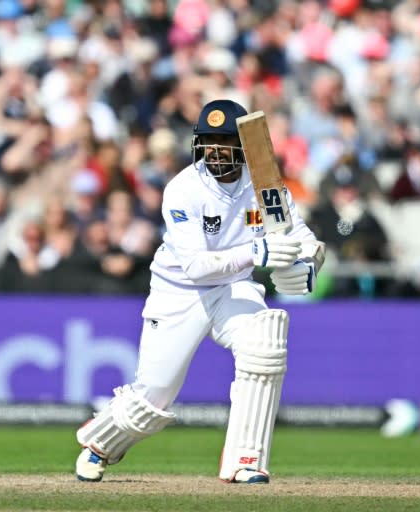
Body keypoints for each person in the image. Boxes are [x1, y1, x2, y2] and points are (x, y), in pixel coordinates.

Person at [74, 99, 326, 484]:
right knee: (152, 398)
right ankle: (99, 442)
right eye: (208, 142)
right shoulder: (183, 190)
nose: (215, 151)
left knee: (265, 342)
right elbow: (196, 265)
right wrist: (257, 251)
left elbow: (301, 239)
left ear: (243, 145)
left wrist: (308, 263)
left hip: (233, 288)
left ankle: (246, 459)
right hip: (179, 291)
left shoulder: (265, 185)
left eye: (224, 142)